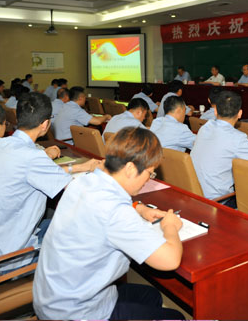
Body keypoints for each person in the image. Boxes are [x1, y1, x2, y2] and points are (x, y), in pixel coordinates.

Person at [33, 127, 184, 320]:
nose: (148, 180)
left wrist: (139, 208)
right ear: (130, 169)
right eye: (150, 173)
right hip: (76, 312)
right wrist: (170, 226)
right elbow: (170, 260)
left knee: (151, 295)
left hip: (56, 295)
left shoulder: (84, 181)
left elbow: (105, 210)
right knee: (176, 316)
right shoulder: (115, 211)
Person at [0, 93, 101, 278]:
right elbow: (78, 191)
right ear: (45, 124)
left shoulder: (0, 144)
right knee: (87, 235)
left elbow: (40, 171)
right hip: (5, 260)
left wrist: (79, 167)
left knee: (62, 222)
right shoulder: (32, 157)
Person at [191, 90, 248, 208]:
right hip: (219, 201)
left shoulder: (205, 128)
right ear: (240, 113)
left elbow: (223, 148)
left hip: (195, 194)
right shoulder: (236, 138)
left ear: (215, 111)